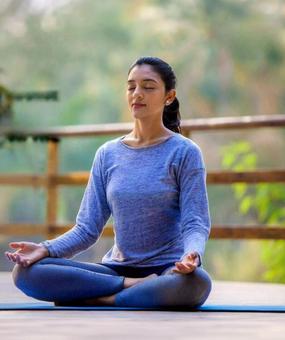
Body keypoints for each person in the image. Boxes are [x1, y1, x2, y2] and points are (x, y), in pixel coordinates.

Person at [5, 56, 212, 308]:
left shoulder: (184, 152)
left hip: (167, 271)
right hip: (116, 271)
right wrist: (45, 249)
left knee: (197, 283)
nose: (137, 94)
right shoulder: (108, 154)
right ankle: (129, 288)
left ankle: (102, 298)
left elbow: (195, 223)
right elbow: (86, 229)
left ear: (169, 96)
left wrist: (193, 255)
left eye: (148, 87)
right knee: (27, 273)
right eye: (131, 86)